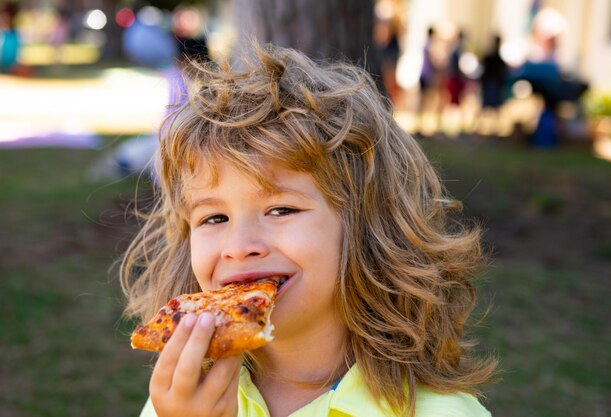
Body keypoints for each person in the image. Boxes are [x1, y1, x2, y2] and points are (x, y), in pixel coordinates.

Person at [120, 44, 496, 417]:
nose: (239, 246)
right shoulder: (183, 400)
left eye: (281, 209)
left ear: (368, 227)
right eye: (214, 218)